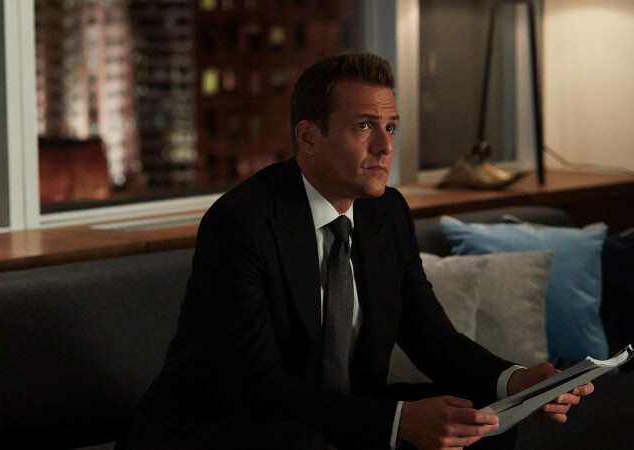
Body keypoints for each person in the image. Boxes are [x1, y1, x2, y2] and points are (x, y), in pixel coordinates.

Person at [120, 52, 593, 450]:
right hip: (218, 424)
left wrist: (516, 382)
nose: (385, 146)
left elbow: (432, 338)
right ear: (308, 137)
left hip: (334, 413)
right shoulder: (242, 223)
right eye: (364, 126)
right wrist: (397, 421)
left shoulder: (387, 213)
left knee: (480, 419)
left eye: (391, 126)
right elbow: (258, 384)